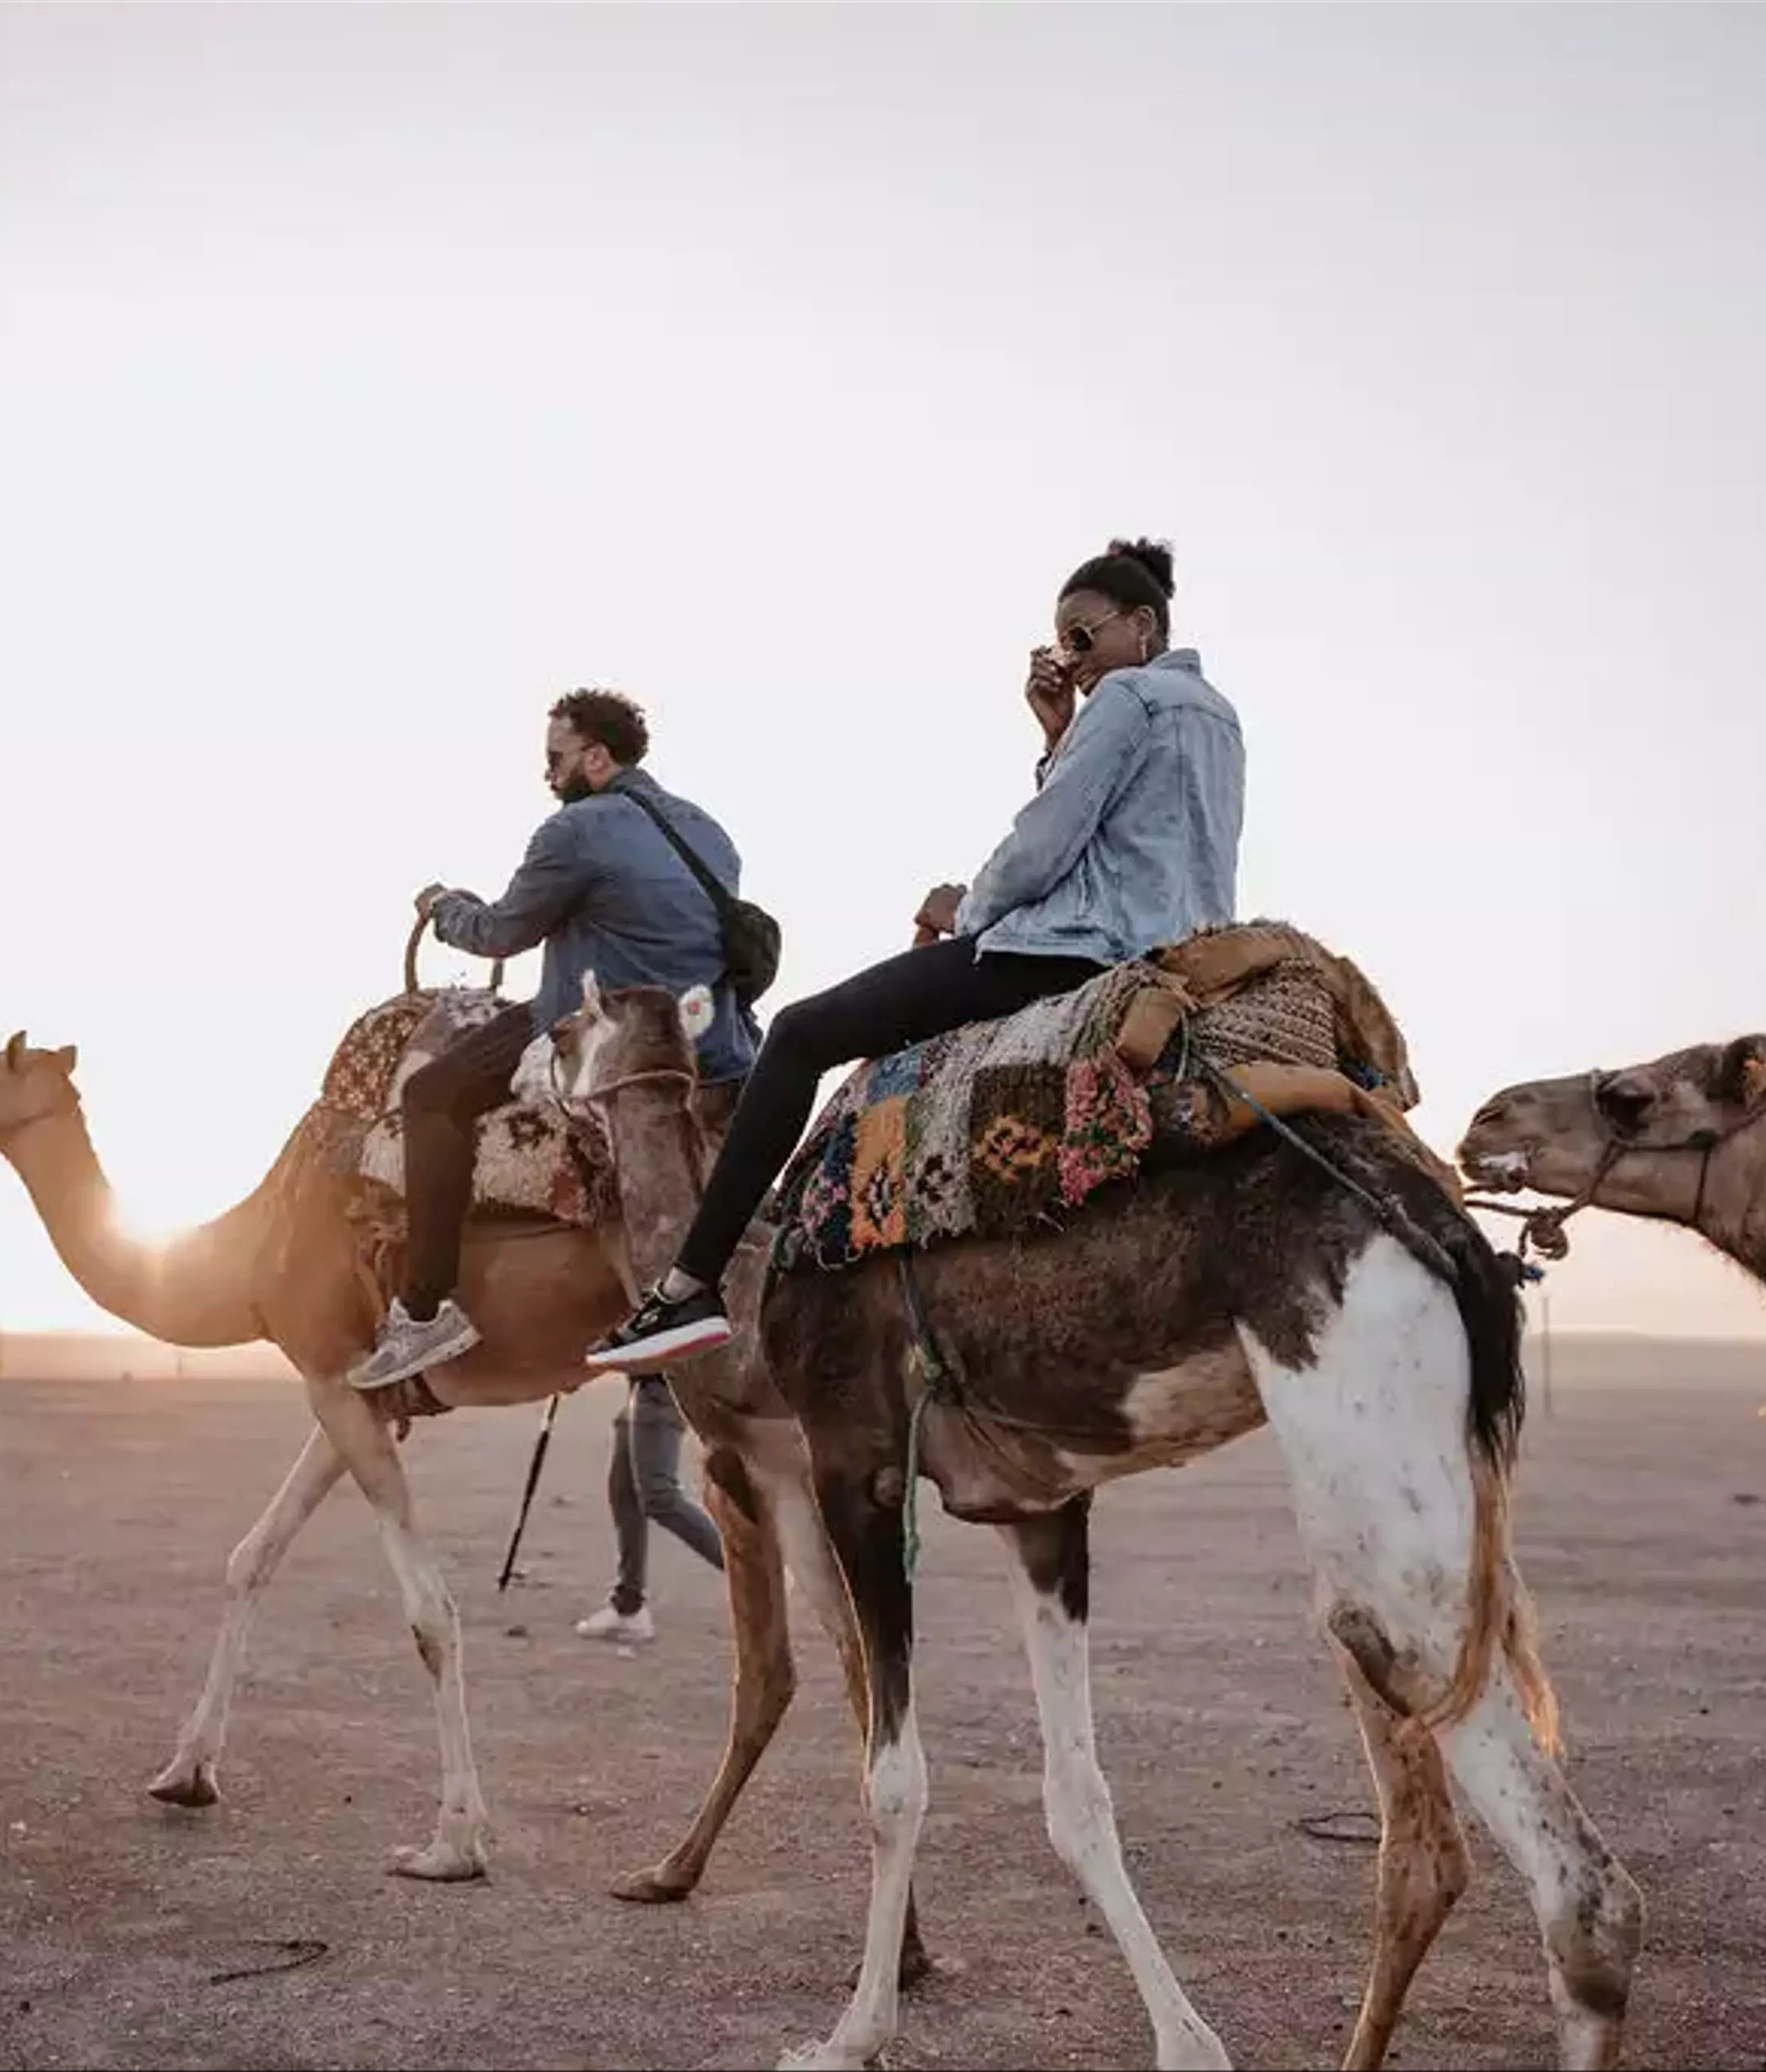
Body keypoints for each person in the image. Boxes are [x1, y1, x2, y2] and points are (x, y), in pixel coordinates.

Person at [585, 537, 1242, 1371]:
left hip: (1075, 954)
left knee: (798, 1033)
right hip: (1177, 949)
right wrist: (1055, 738)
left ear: (1143, 625)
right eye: (1059, 644)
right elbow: (1128, 834)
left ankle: (686, 1287)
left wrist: (966, 907)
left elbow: (1043, 849)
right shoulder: (1218, 714)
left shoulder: (1129, 700)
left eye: (1082, 637)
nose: (1069, 660)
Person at [347, 689, 760, 1393]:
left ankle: (424, 1308)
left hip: (609, 1033)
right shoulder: (708, 831)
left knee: (429, 1093)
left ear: (597, 757)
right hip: (712, 1040)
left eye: (557, 758)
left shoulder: (576, 831)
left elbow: (501, 932)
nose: (549, 774)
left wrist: (444, 908)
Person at [574, 1373, 728, 1643]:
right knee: (624, 1492)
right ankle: (629, 1606)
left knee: (659, 1496)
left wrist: (578, 1370)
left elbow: (644, 1346)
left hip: (663, 1388)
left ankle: (756, 1570)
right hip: (643, 1390)